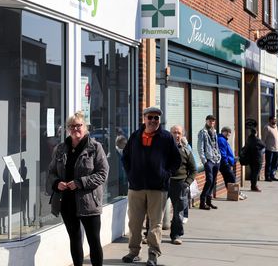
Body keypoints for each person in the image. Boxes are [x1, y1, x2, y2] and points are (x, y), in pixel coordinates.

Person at [47, 112, 109, 266]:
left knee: (93, 240)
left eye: (79, 125)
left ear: (85, 127)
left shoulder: (95, 147)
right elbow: (51, 172)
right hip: (67, 202)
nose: (76, 129)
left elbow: (102, 174)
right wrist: (57, 183)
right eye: (72, 126)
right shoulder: (60, 149)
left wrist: (80, 182)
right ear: (68, 129)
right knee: (74, 239)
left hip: (89, 203)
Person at [121, 107, 181, 266]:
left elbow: (176, 160)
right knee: (134, 222)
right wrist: (130, 173)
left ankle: (153, 254)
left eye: (156, 118)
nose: (153, 121)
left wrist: (166, 174)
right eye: (150, 117)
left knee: (155, 224)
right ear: (144, 118)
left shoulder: (166, 137)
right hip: (136, 187)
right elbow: (125, 157)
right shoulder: (135, 136)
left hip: (158, 188)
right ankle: (134, 252)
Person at [169, 125, 195, 245]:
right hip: (164, 183)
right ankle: (149, 233)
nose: (176, 135)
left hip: (180, 184)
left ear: (182, 135)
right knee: (155, 210)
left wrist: (187, 183)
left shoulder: (186, 151)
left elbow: (193, 170)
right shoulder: (164, 149)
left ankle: (176, 235)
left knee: (178, 212)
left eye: (179, 133)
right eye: (174, 132)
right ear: (170, 134)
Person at [197, 115, 221, 209]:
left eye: (213, 121)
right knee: (209, 180)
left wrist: (219, 156)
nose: (211, 123)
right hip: (209, 160)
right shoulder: (202, 132)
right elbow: (200, 147)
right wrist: (204, 161)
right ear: (206, 121)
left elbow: (216, 146)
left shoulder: (214, 132)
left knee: (213, 181)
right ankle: (202, 202)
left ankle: (209, 201)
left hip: (216, 159)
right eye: (210, 121)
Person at [262, 116, 278, 181]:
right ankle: (267, 176)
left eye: (275, 120)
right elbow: (263, 139)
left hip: (276, 149)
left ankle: (272, 175)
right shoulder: (267, 128)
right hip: (269, 149)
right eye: (274, 120)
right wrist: (264, 147)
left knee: (275, 163)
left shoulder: (276, 128)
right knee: (269, 163)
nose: (275, 121)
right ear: (270, 120)